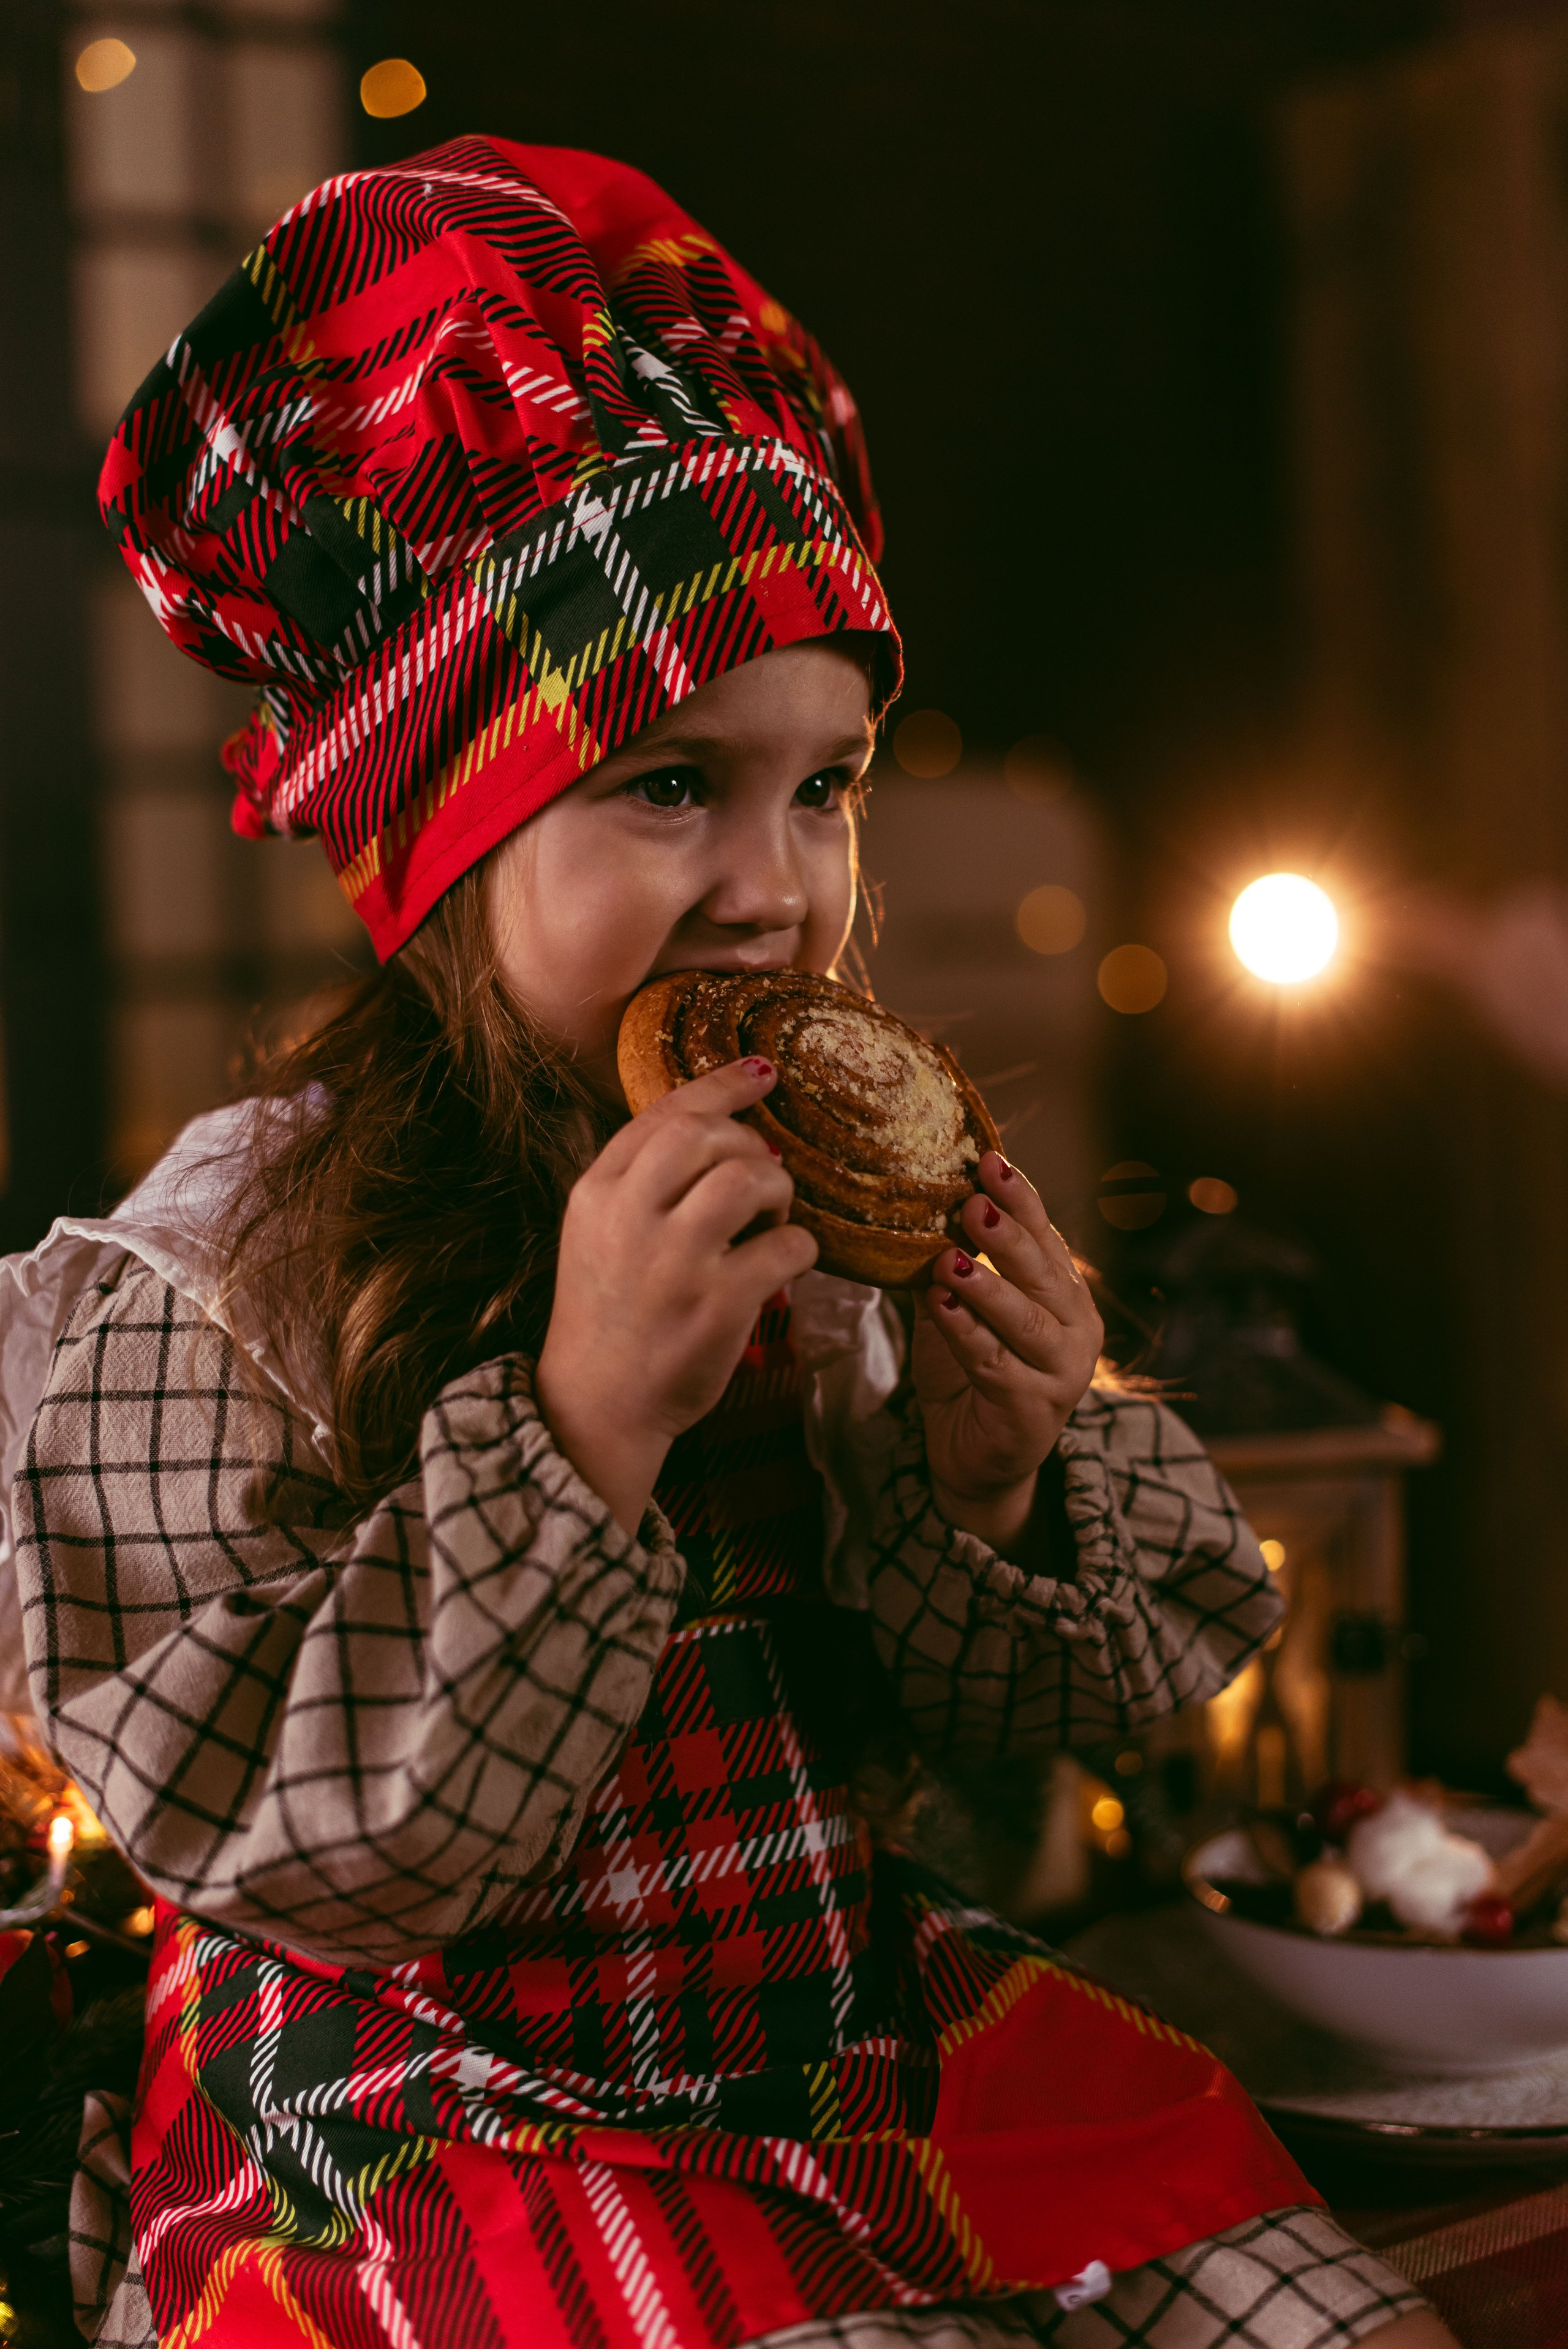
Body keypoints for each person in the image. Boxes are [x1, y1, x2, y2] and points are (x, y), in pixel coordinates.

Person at [10, 141, 1456, 2349]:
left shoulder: (824, 1219)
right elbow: (299, 1848)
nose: (776, 884)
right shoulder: (216, 1279)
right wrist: (580, 1428)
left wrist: (994, 1478)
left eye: (827, 783)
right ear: (444, 834)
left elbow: (1001, 1764)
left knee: (1341, 2318)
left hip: (825, 2029)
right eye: (670, 784)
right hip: (429, 2106)